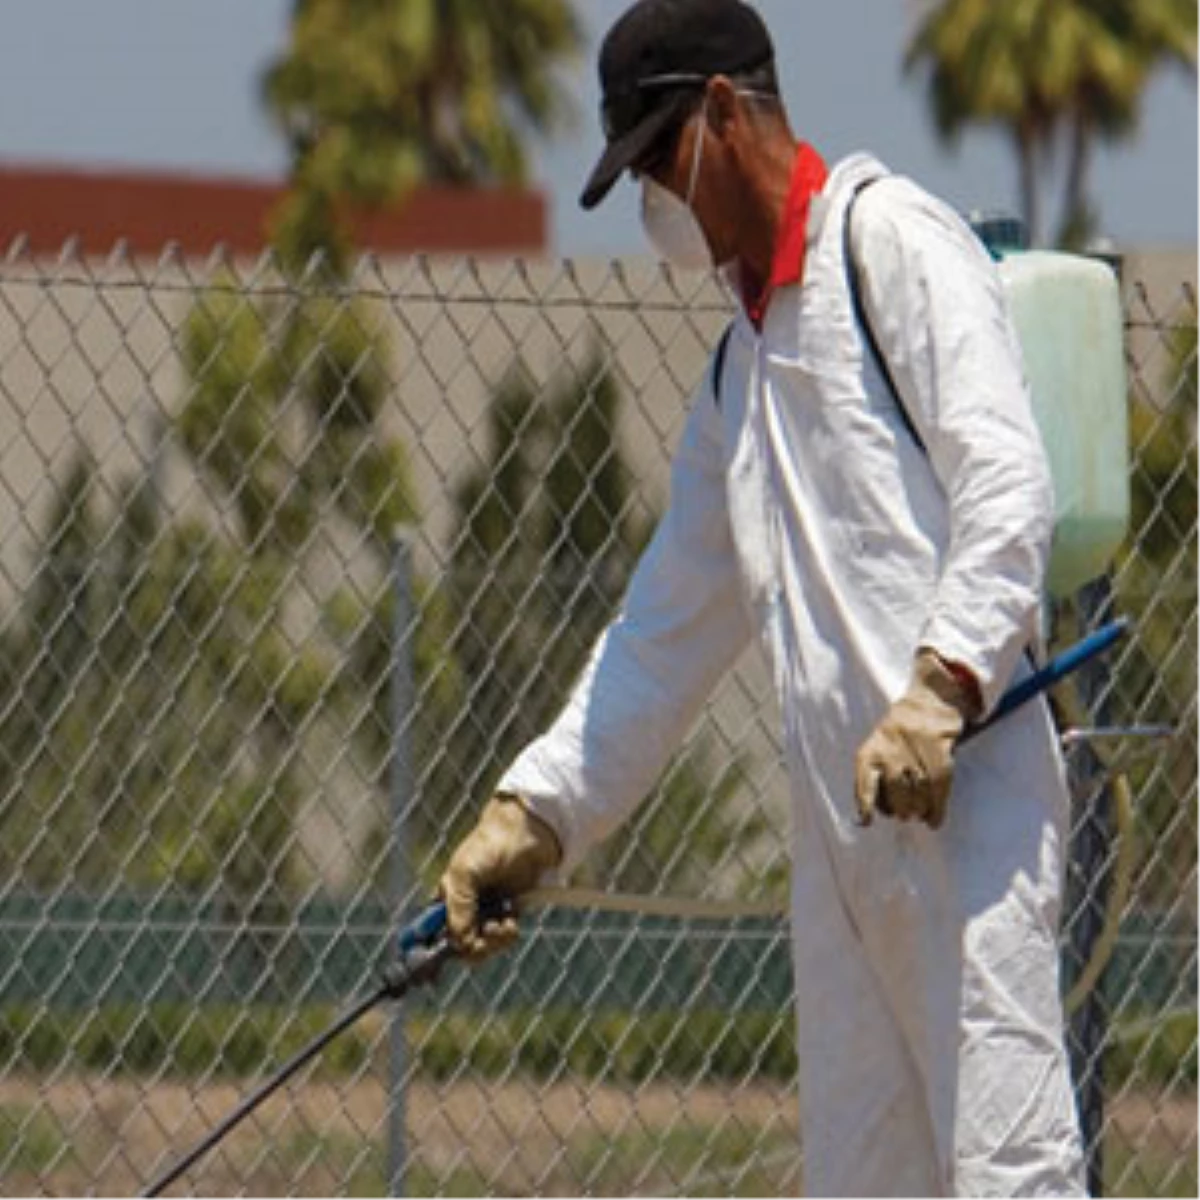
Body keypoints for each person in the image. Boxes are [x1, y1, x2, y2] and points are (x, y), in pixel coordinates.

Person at [439, 0, 1087, 1195]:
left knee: (1011, 1175)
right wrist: (533, 815)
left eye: (656, 162)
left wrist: (940, 685)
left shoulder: (888, 246)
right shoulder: (741, 373)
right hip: (843, 860)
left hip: (969, 823)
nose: (654, 204)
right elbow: (659, 638)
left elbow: (1009, 485)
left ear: (725, 114)